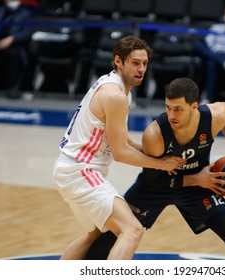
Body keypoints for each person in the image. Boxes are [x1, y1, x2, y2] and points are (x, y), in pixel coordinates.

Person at [85, 77, 225, 260]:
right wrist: (196, 178)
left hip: (199, 186)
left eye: (178, 109)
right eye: (168, 107)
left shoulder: (214, 116)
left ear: (194, 107)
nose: (172, 115)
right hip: (156, 187)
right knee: (110, 237)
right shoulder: (154, 135)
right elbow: (153, 178)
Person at [53, 36, 186, 260]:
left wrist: (150, 153)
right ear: (118, 61)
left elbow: (122, 140)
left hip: (70, 169)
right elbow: (121, 153)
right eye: (135, 62)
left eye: (144, 63)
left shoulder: (116, 87)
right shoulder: (115, 96)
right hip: (81, 171)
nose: (141, 68)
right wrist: (160, 164)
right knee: (132, 230)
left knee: (93, 235)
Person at [0, 0, 34, 98]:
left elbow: (27, 33)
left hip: (14, 45)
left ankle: (11, 88)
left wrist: (13, 38)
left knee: (13, 54)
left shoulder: (26, 13)